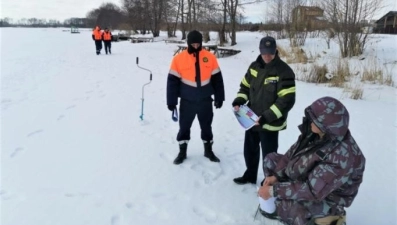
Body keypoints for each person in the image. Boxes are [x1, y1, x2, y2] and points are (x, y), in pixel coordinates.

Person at [258, 96, 366, 225]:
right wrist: (276, 176)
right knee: (271, 160)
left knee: (288, 206)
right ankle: (282, 204)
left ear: (326, 126)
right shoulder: (317, 133)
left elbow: (312, 190)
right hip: (311, 178)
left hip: (326, 197)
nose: (310, 122)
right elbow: (292, 153)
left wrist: (273, 191)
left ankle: (330, 218)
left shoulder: (342, 157)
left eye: (314, 119)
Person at [232, 36, 296, 185]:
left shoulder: (284, 71)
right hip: (251, 119)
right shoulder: (254, 67)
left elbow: (286, 101)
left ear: (276, 51)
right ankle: (250, 175)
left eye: (271, 53)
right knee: (250, 151)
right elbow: (245, 87)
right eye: (264, 52)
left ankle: (268, 182)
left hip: (270, 123)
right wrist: (239, 101)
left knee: (270, 157)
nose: (267, 56)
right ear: (260, 51)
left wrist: (266, 117)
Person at [166, 30, 225, 165]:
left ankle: (208, 150)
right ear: (188, 43)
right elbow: (172, 82)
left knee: (206, 127)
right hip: (187, 101)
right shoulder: (178, 59)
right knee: (184, 127)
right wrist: (171, 101)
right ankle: (182, 152)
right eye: (193, 44)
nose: (196, 46)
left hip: (205, 100)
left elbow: (217, 80)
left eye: (198, 43)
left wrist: (219, 97)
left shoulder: (210, 57)